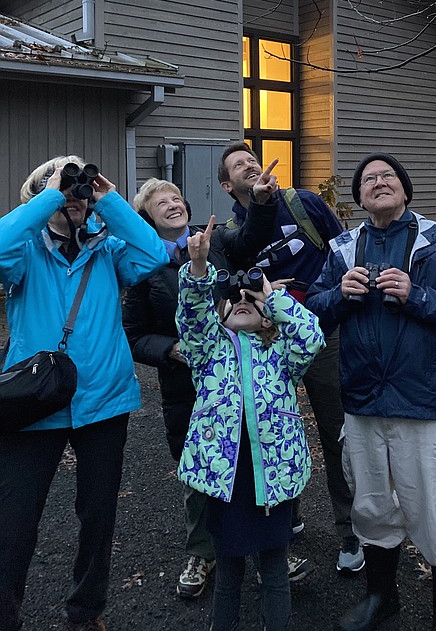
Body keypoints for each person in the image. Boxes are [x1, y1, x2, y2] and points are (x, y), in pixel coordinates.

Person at [305, 153, 436, 631]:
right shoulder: (343, 247)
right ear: (359, 195)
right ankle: (381, 598)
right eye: (368, 179)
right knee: (371, 506)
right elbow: (314, 312)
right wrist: (337, 294)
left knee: (432, 510)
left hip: (424, 402)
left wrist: (417, 294)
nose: (378, 183)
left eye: (387, 177)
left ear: (405, 190)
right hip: (363, 402)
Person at [0, 156, 169, 631]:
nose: (74, 194)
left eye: (79, 186)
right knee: (13, 522)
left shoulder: (107, 248)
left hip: (102, 401)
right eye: (61, 186)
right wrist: (51, 193)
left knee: (98, 520)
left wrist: (107, 198)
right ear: (38, 198)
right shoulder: (24, 251)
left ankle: (85, 612)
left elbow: (154, 254)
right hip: (32, 402)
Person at [122, 167, 278, 599]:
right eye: (161, 202)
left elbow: (252, 239)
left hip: (240, 374)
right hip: (186, 384)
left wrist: (262, 204)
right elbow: (133, 333)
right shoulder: (144, 265)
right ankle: (202, 551)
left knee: (253, 454)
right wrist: (171, 350)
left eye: (176, 197)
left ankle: (269, 550)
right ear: (147, 217)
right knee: (200, 470)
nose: (173, 204)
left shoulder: (219, 241)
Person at [212, 142, 364, 574]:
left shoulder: (304, 203)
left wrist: (330, 296)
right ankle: (285, 517)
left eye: (252, 159)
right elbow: (232, 290)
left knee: (336, 434)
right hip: (267, 343)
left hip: (323, 334)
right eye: (239, 165)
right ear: (227, 185)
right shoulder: (231, 233)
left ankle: (348, 530)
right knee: (269, 431)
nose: (251, 165)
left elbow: (344, 250)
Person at [175, 214, 325, 631]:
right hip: (226, 479)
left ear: (267, 319)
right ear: (220, 316)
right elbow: (192, 318)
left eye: (251, 302)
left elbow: (311, 336)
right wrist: (201, 269)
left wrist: (271, 296)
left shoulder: (280, 354)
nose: (242, 300)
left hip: (271, 480)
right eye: (233, 300)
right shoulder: (207, 353)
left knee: (274, 568)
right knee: (229, 572)